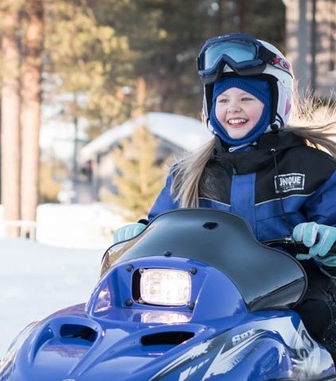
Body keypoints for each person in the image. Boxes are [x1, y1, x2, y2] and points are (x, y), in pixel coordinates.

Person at [114, 32, 336, 360]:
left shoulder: (313, 167)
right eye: (223, 99)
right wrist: (141, 236)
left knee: (319, 324)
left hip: (290, 296)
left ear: (276, 101)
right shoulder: (191, 172)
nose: (233, 108)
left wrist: (328, 242)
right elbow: (162, 225)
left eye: (246, 98)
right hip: (205, 298)